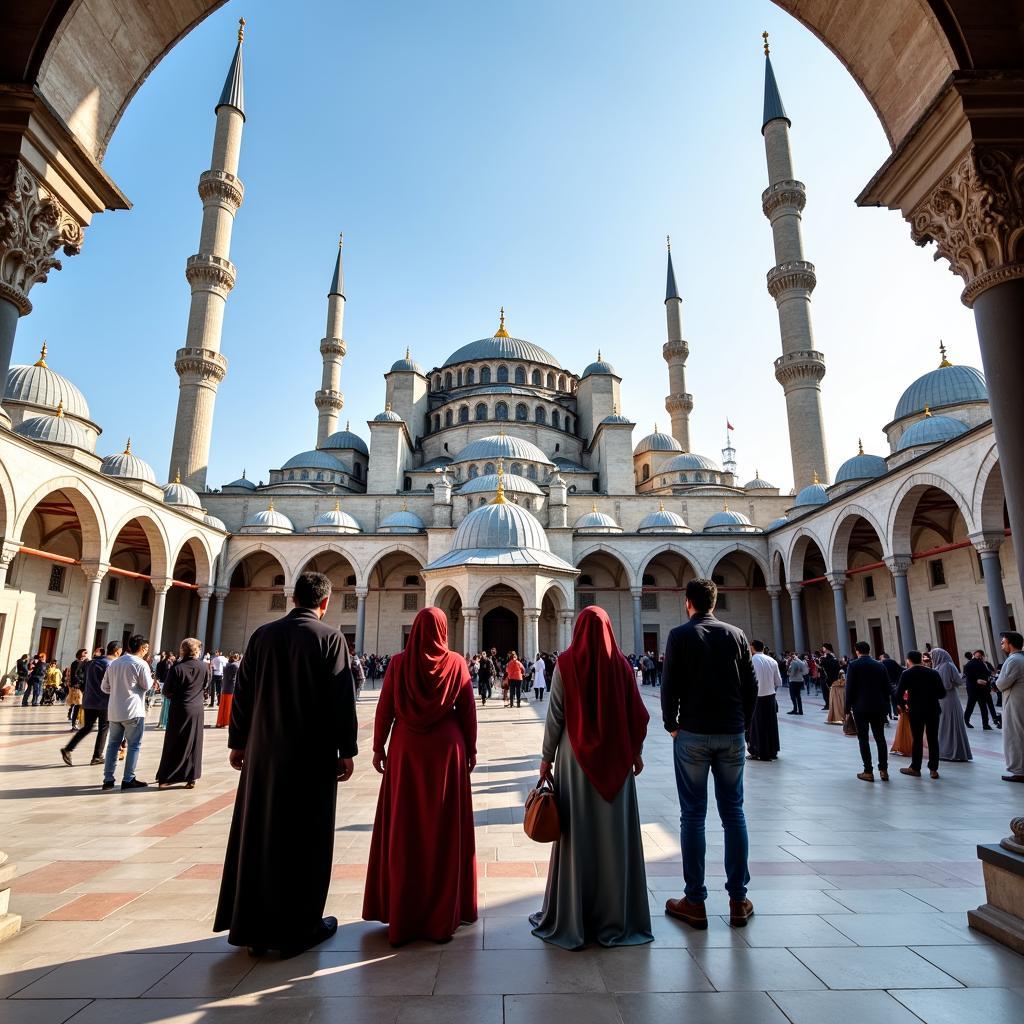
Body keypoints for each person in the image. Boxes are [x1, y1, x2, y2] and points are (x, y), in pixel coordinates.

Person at [215, 572, 358, 957]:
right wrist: (346, 749)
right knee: (305, 837)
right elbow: (341, 700)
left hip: (263, 755)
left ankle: (254, 926)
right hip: (311, 756)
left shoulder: (262, 636)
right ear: (325, 603)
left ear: (293, 598)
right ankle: (301, 926)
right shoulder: (330, 639)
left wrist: (238, 742)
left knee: (261, 832)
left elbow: (241, 693)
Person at [530, 605, 652, 950]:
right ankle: (616, 917)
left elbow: (555, 716)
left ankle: (575, 916)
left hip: (575, 761)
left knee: (578, 836)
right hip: (616, 761)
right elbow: (637, 716)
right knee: (615, 839)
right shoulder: (622, 666)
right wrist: (636, 751)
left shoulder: (566, 664)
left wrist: (546, 759)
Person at [363, 607, 477, 945]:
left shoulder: (398, 663)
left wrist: (378, 747)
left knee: (406, 827)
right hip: (446, 752)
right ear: (444, 629)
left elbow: (385, 708)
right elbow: (468, 712)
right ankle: (441, 918)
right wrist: (470, 748)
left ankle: (404, 915)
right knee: (442, 830)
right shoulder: (457, 663)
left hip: (407, 751)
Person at [661, 578, 757, 930]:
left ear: (688, 603)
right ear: (714, 603)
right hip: (731, 734)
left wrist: (672, 723)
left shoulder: (680, 636)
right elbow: (751, 686)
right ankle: (738, 900)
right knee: (734, 813)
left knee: (693, 816)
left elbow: (668, 684)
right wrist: (742, 725)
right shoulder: (736, 634)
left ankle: (695, 901)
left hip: (693, 735)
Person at [100, 634, 153, 790]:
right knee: (134, 745)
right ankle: (128, 778)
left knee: (112, 745)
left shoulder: (114, 663)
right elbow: (147, 685)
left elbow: (104, 687)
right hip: (133, 710)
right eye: (146, 649)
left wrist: (118, 689)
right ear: (143, 648)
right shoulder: (141, 664)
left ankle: (108, 779)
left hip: (115, 710)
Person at [156, 638, 207, 789]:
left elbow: (166, 691)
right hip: (197, 708)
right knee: (194, 742)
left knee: (174, 741)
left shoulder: (177, 668)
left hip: (179, 707)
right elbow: (205, 685)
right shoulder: (204, 667)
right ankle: (191, 777)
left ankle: (167, 777)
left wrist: (178, 697)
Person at [61, 641, 119, 766]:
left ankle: (68, 749)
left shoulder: (91, 663)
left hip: (89, 700)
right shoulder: (111, 665)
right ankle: (97, 756)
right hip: (104, 702)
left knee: (87, 727)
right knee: (104, 728)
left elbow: (81, 679)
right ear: (117, 651)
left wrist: (85, 691)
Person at [845, 640, 892, 782]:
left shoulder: (853, 665)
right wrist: (886, 706)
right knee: (880, 738)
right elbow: (887, 688)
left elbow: (850, 688)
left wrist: (847, 708)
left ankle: (868, 771)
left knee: (863, 738)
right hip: (878, 706)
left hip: (860, 707)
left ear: (857, 651)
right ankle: (883, 770)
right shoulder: (880, 665)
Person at [896, 650, 946, 779]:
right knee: (933, 739)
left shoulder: (906, 673)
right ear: (921, 659)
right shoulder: (933, 673)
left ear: (908, 660)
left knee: (917, 738)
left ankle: (915, 767)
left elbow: (898, 693)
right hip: (933, 709)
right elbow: (942, 693)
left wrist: (903, 706)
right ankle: (933, 769)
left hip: (915, 710)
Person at [933, 647, 972, 762]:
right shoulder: (944, 665)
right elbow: (957, 680)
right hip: (947, 697)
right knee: (947, 723)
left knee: (947, 722)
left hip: (946, 698)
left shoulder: (944, 666)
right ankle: (948, 750)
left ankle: (948, 751)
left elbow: (946, 684)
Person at [996, 631, 1024, 782]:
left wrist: (996, 682)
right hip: (1019, 700)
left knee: (1015, 736)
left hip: (1015, 702)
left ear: (1010, 644)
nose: (1001, 646)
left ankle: (1019, 770)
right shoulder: (1021, 658)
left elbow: (1001, 684)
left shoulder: (1013, 660)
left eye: (1003, 643)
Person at [747, 639, 781, 761]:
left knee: (757, 726)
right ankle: (773, 750)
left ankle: (758, 751)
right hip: (771, 696)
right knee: (771, 725)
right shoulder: (772, 660)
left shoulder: (753, 660)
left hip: (757, 697)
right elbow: (779, 682)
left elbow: (750, 681)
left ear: (752, 648)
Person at [964, 649, 998, 729]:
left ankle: (985, 724)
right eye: (977, 655)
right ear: (974, 655)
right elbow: (968, 676)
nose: (979, 657)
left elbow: (987, 673)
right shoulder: (970, 664)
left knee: (983, 707)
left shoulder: (982, 663)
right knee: (971, 706)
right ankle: (966, 720)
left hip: (982, 689)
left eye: (980, 656)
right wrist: (977, 680)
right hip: (973, 689)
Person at [216, 652, 240, 728]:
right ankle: (227, 722)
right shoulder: (236, 665)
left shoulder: (227, 665)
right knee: (229, 707)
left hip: (225, 688)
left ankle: (220, 722)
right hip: (231, 688)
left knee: (223, 706)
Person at [819, 643, 840, 710]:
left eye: (824, 648)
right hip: (826, 677)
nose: (823, 649)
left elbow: (826, 665)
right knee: (826, 692)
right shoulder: (827, 656)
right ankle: (828, 704)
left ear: (826, 648)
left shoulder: (830, 656)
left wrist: (821, 662)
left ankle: (829, 704)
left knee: (827, 692)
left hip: (828, 677)